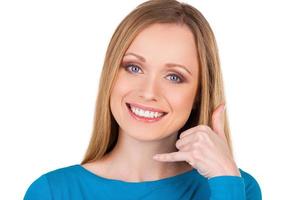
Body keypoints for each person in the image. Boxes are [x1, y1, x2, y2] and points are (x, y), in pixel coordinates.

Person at [24, 0, 262, 199]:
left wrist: (226, 181)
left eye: (174, 76)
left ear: (199, 94)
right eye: (134, 68)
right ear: (111, 75)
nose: (148, 92)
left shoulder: (234, 186)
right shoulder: (52, 192)